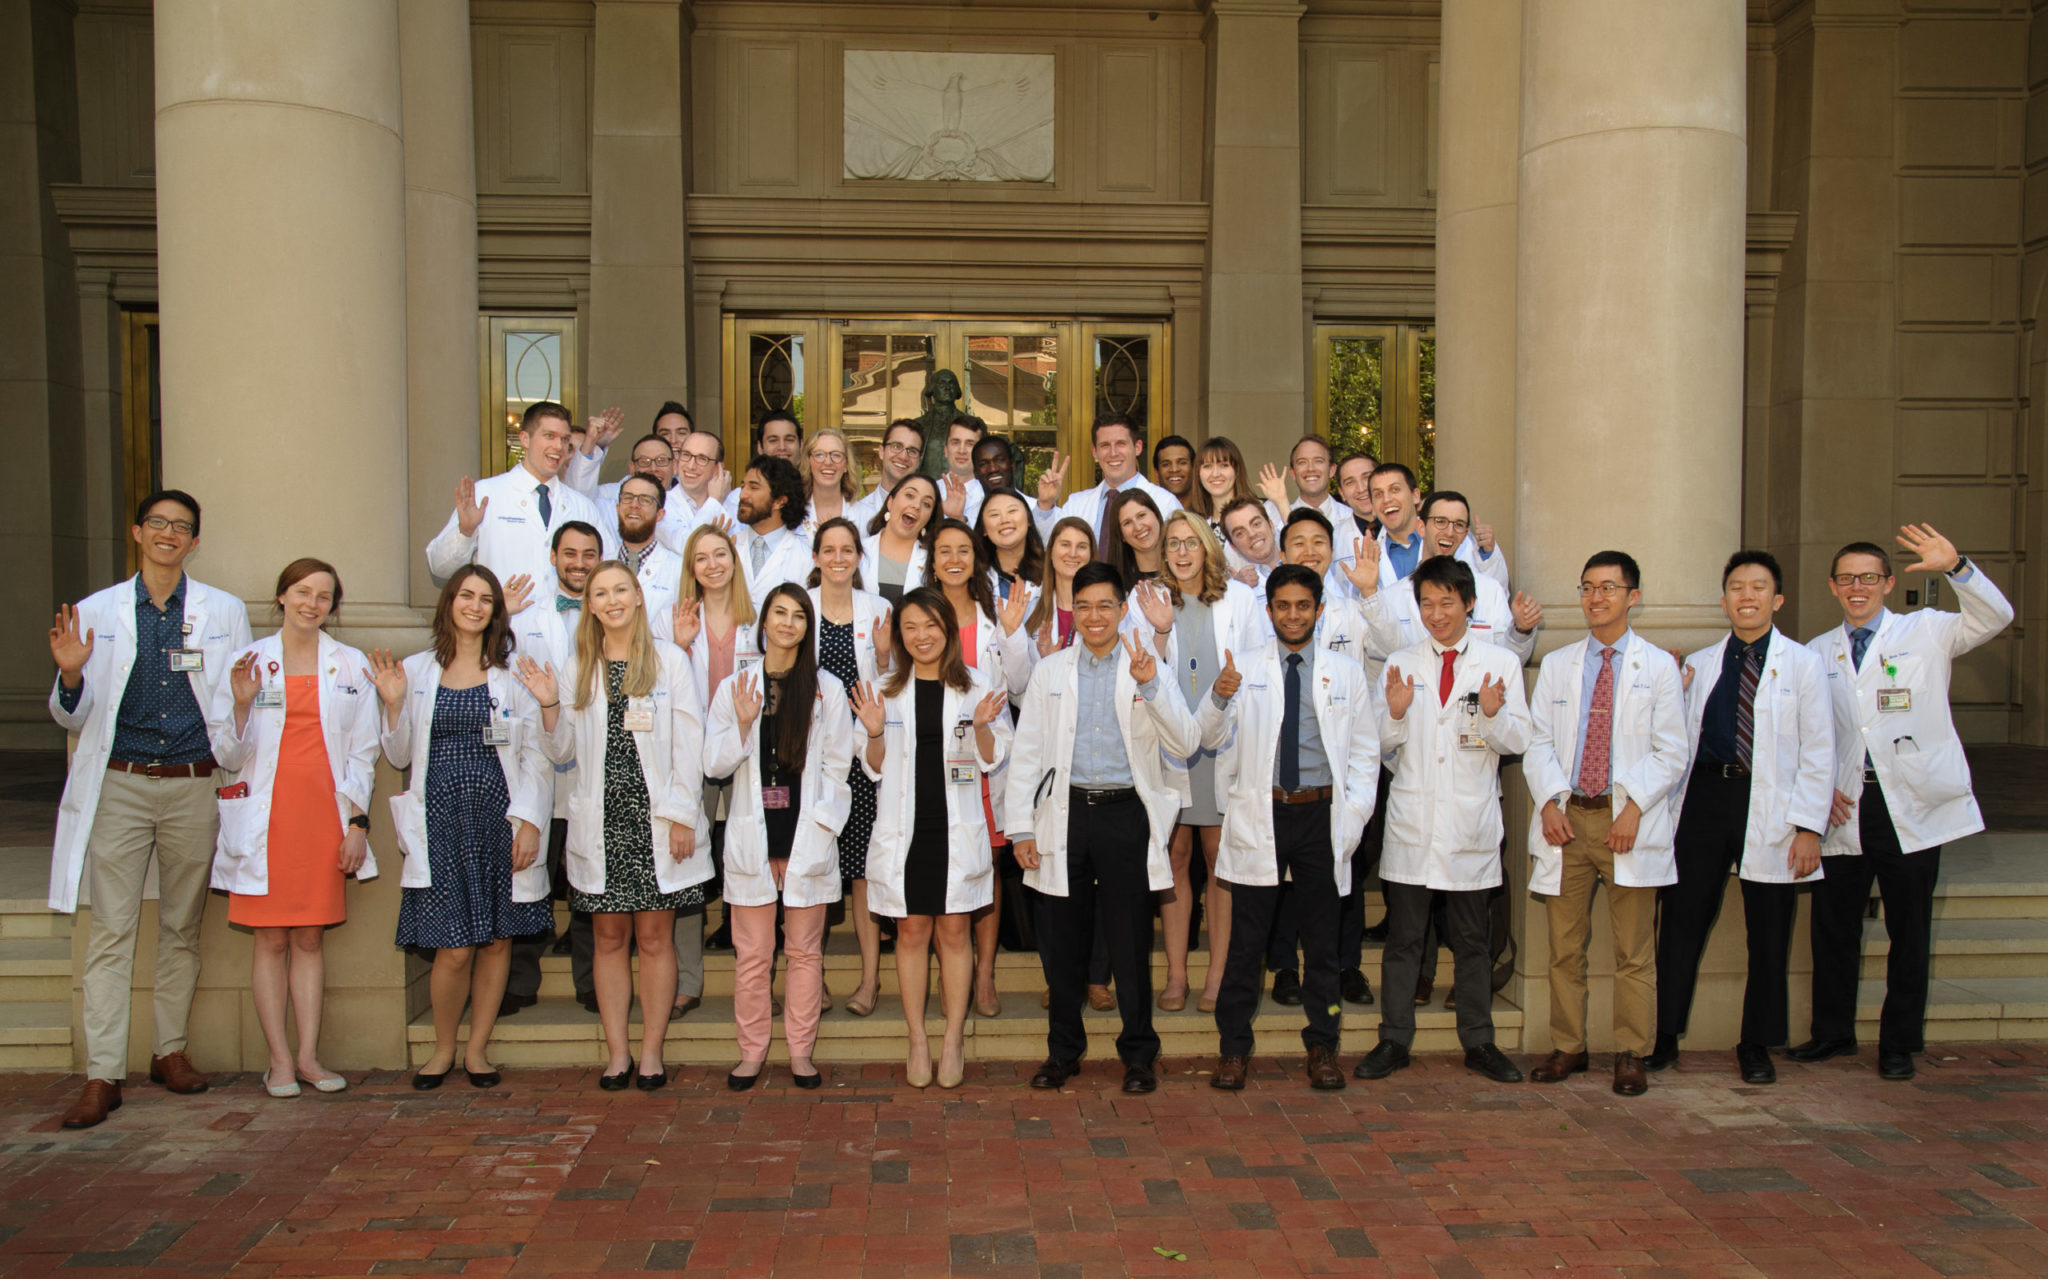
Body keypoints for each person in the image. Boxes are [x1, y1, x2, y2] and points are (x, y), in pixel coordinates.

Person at [48, 491, 252, 1129]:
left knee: (181, 926)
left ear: (195, 541)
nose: (168, 534)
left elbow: (233, 704)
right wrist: (72, 678)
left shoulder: (223, 611)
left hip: (194, 783)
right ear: (138, 532)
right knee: (111, 931)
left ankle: (170, 1051)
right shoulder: (95, 611)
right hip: (122, 784)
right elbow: (69, 715)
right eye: (158, 523)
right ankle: (102, 1073)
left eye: (182, 527)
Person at [1791, 525, 2013, 1082]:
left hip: (1907, 803)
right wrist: (1820, 790)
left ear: (1888, 583)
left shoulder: (1929, 631)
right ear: (1833, 588)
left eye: (1868, 577)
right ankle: (1833, 1033)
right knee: (1834, 927)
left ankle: (1899, 1042)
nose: (1857, 587)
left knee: (1908, 929)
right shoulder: (1817, 652)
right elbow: (1799, 730)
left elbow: (1996, 618)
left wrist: (1956, 566)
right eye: (1847, 580)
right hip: (1845, 807)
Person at [1008, 563, 1196, 1094]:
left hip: (1125, 816)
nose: (1094, 616)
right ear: (1075, 610)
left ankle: (1139, 1056)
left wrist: (1153, 685)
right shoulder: (1051, 671)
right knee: (1062, 943)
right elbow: (1027, 756)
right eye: (1084, 605)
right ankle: (1063, 1053)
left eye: (1105, 606)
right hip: (1065, 816)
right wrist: (1021, 829)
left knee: (1131, 942)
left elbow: (1183, 743)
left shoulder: (1145, 664)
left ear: (1121, 610)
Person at [370, 566, 554, 1091]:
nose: (474, 606)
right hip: (441, 822)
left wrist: (530, 824)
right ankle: (442, 1048)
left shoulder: (514, 674)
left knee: (496, 941)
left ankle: (477, 1050)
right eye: (465, 596)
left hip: (500, 819)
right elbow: (400, 753)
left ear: (497, 611)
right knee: (453, 947)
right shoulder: (417, 670)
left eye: (485, 600)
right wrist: (394, 703)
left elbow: (538, 759)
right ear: (449, 602)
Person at [1197, 564, 1380, 1091]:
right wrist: (1218, 696)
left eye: (1304, 605)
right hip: (1264, 813)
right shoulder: (1245, 667)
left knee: (1322, 943)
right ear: (1269, 609)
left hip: (1321, 816)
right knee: (1246, 942)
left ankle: (1323, 1046)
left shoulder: (1344, 672)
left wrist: (1357, 813)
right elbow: (1208, 738)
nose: (1293, 614)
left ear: (1319, 611)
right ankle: (1233, 1049)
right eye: (1283, 605)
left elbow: (1366, 751)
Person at [1653, 551, 1832, 1084]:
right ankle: (1662, 1036)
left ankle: (1756, 1042)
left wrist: (1808, 827)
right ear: (1724, 597)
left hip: (1772, 805)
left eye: (1758, 587)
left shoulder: (1803, 665)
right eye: (1736, 587)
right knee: (1681, 923)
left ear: (1777, 600)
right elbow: (1675, 743)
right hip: (1706, 801)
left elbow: (1819, 750)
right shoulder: (1701, 664)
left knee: (1770, 932)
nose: (1746, 596)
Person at [529, 561, 709, 1090]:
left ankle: (651, 1052)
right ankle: (617, 1053)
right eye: (600, 593)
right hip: (600, 821)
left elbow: (689, 744)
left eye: (620, 590)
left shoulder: (670, 661)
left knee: (655, 939)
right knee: (607, 938)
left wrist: (680, 816)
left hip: (655, 819)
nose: (611, 600)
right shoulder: (577, 665)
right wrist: (547, 704)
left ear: (637, 597)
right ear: (590, 605)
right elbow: (561, 750)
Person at [1356, 556, 1532, 1085]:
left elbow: (1518, 742)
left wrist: (1495, 714)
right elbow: (1377, 746)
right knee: (1405, 940)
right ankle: (1394, 1039)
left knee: (1473, 941)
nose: (1436, 613)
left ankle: (1479, 1041)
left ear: (1469, 603)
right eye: (1427, 603)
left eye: (1446, 602)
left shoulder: (1500, 664)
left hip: (1469, 826)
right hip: (1413, 823)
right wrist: (1394, 711)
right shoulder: (1402, 661)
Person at [209, 559, 380, 1098]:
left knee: (309, 937)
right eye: (302, 592)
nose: (312, 603)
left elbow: (365, 753)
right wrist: (240, 706)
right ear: (281, 596)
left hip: (322, 817)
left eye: (324, 596)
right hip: (268, 816)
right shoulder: (247, 660)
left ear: (333, 606)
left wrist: (356, 823)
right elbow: (226, 752)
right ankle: (277, 1061)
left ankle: (308, 1057)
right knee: (270, 940)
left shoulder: (350, 665)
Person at [1521, 552, 1687, 1098]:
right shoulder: (1561, 664)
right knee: (1565, 948)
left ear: (1632, 596)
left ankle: (1631, 1053)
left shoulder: (1657, 666)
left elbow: (1671, 751)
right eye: (1588, 587)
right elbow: (1539, 741)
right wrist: (1548, 802)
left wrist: (1634, 807)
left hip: (1627, 827)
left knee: (1633, 951)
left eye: (1609, 588)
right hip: (1568, 824)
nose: (1596, 598)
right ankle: (1569, 1045)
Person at [852, 587, 1013, 1089]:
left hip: (955, 827)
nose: (922, 637)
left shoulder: (977, 685)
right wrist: (875, 732)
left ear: (947, 630)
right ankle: (917, 1036)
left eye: (931, 626)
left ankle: (952, 1038)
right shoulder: (883, 687)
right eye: (910, 628)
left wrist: (983, 726)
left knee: (954, 934)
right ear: (899, 636)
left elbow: (992, 757)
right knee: (912, 932)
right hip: (905, 831)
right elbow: (872, 768)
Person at [704, 584, 855, 1090]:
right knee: (751, 957)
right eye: (779, 613)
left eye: (798, 616)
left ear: (807, 627)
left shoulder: (826, 689)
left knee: (805, 954)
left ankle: (800, 1054)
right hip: (753, 842)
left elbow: (837, 769)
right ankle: (751, 1053)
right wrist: (744, 727)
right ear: (763, 621)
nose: (788, 623)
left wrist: (813, 838)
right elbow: (714, 763)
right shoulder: (736, 688)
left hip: (806, 843)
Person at [1152, 512, 1264, 1013]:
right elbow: (1142, 671)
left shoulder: (1239, 599)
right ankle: (1177, 974)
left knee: (1220, 858)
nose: (1181, 552)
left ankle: (1217, 974)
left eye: (1189, 543)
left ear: (1206, 548)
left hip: (1224, 743)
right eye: (1172, 544)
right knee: (1175, 854)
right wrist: (1157, 632)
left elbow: (1257, 670)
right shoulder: (1150, 601)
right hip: (1171, 747)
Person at [926, 518, 1033, 1017]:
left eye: (963, 550)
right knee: (939, 864)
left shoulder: (997, 616)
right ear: (932, 560)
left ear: (976, 559)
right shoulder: (919, 614)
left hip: (986, 760)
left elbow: (1018, 685)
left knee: (987, 866)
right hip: (931, 759)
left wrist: (1012, 637)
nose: (953, 558)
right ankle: (953, 966)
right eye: (943, 550)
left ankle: (985, 974)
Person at [504, 520, 602, 1015]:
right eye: (570, 554)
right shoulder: (522, 621)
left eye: (589, 554)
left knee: (586, 876)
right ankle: (520, 977)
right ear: (553, 557)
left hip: (590, 766)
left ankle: (589, 982)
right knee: (530, 868)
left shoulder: (613, 617)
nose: (579, 563)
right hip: (538, 764)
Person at [807, 517, 893, 1016]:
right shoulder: (799, 604)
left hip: (862, 756)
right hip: (813, 756)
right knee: (814, 867)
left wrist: (883, 658)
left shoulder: (878, 609)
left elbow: (894, 682)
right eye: (829, 549)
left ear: (860, 557)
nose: (838, 558)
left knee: (862, 871)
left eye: (847, 550)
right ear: (816, 556)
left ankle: (868, 980)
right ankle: (811, 976)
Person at [668, 522, 757, 973]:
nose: (712, 565)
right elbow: (661, 692)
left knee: (748, 860)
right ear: (691, 568)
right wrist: (679, 647)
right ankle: (686, 980)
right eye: (701, 558)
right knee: (685, 865)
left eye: (719, 555)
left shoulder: (758, 619)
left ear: (734, 559)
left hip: (746, 753)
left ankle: (755, 976)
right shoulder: (676, 622)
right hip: (691, 758)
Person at [427, 400, 613, 599]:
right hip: (504, 625)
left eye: (564, 439)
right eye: (549, 436)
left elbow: (608, 569)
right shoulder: (486, 495)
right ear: (525, 439)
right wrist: (465, 532)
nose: (558, 446)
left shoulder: (582, 506)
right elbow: (440, 567)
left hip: (567, 627)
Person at [1030, 414, 1182, 546]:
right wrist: (1045, 503)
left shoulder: (1165, 502)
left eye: (1121, 444)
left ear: (1138, 447)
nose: (1113, 453)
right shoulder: (1076, 504)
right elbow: (1048, 546)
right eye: (1105, 445)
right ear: (1094, 452)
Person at [733, 455, 812, 612]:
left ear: (779, 501)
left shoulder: (805, 559)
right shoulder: (729, 546)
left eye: (754, 487)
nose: (742, 494)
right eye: (743, 486)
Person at [614, 473, 684, 621]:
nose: (634, 505)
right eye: (627, 498)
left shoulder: (679, 570)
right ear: (618, 508)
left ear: (660, 514)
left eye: (645, 500)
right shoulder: (601, 562)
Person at [1024, 517, 1098, 655]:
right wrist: (1048, 664)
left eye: (1081, 546)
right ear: (1051, 552)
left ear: (1091, 556)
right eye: (1065, 545)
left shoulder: (1107, 607)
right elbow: (1016, 673)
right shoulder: (1029, 605)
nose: (1073, 554)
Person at [863, 473, 939, 604]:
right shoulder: (859, 550)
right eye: (910, 496)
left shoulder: (934, 561)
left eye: (926, 504)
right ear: (890, 502)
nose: (916, 505)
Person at [1257, 435, 1351, 528]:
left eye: (1318, 461)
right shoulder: (1275, 521)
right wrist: (1281, 502)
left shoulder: (1351, 516)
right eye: (1302, 462)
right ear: (1293, 473)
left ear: (1331, 470)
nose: (1310, 468)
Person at [975, 487, 1045, 607]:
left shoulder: (1050, 570)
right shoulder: (974, 577)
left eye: (1012, 511)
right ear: (984, 529)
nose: (1004, 520)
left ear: (1028, 520)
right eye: (994, 514)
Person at [853, 419, 927, 529]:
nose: (903, 457)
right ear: (881, 452)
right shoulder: (855, 515)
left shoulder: (926, 516)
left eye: (912, 451)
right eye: (896, 446)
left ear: (919, 461)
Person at [673, 426, 739, 531]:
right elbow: (689, 544)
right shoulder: (662, 505)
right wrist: (714, 501)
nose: (691, 466)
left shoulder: (736, 510)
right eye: (686, 455)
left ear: (718, 468)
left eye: (702, 459)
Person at [1101, 489, 1167, 585]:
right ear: (1121, 535)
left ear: (1156, 515)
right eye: (1127, 523)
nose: (1138, 527)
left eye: (1141, 515)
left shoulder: (1183, 571)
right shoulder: (1116, 586)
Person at [804, 427, 862, 531]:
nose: (828, 462)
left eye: (836, 455)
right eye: (819, 455)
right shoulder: (792, 514)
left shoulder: (866, 516)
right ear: (809, 462)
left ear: (846, 465)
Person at [1220, 497, 1284, 586]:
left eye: (1256, 524)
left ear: (1271, 526)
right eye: (1240, 533)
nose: (1252, 534)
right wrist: (1239, 590)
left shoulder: (1305, 561)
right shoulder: (1237, 590)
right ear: (1234, 547)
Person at [936, 416, 987, 526]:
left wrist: (958, 518)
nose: (962, 450)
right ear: (946, 450)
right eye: (955, 442)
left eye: (970, 444)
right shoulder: (931, 492)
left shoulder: (990, 495)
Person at [1151, 435, 1195, 501]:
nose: (1174, 469)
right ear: (1156, 474)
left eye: (1182, 463)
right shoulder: (1146, 510)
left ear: (1194, 469)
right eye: (1166, 464)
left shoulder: (1209, 509)